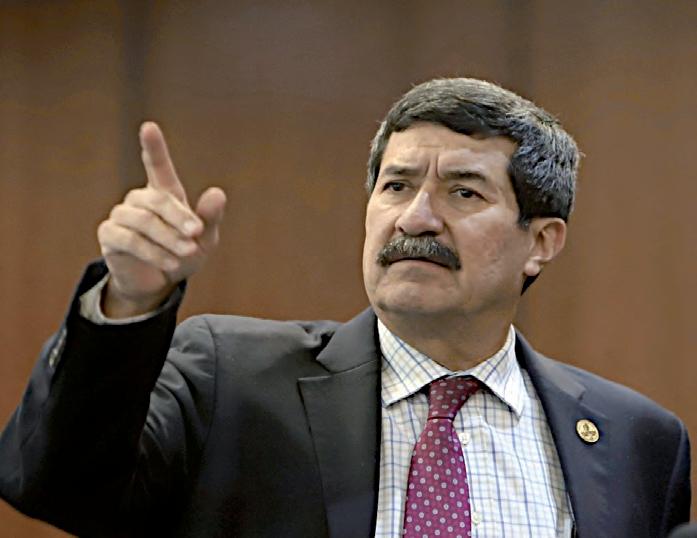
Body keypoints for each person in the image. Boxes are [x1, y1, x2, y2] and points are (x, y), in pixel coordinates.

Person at [0, 78, 690, 538]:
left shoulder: (637, 442)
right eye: (396, 186)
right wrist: (130, 300)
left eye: (463, 192)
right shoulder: (227, 379)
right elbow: (56, 487)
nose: (415, 218)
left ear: (540, 242)